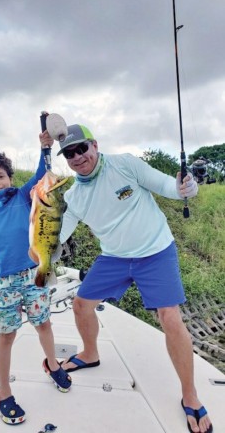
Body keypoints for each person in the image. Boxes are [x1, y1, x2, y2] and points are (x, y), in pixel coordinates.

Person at [53, 124, 212, 433]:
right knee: (81, 304)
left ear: (94, 145)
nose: (77, 157)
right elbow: (58, 235)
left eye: (81, 148)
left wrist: (186, 187)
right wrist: (40, 247)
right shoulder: (73, 196)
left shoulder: (125, 164)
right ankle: (90, 353)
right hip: (114, 257)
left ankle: (190, 395)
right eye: (69, 153)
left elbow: (170, 186)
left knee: (169, 318)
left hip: (156, 251)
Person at [0, 134, 71, 426]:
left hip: (34, 275)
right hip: (4, 283)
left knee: (43, 323)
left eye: (1, 175)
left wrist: (45, 147)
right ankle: (4, 393)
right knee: (6, 335)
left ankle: (51, 364)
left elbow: (41, 174)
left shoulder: (24, 197)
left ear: (10, 178)